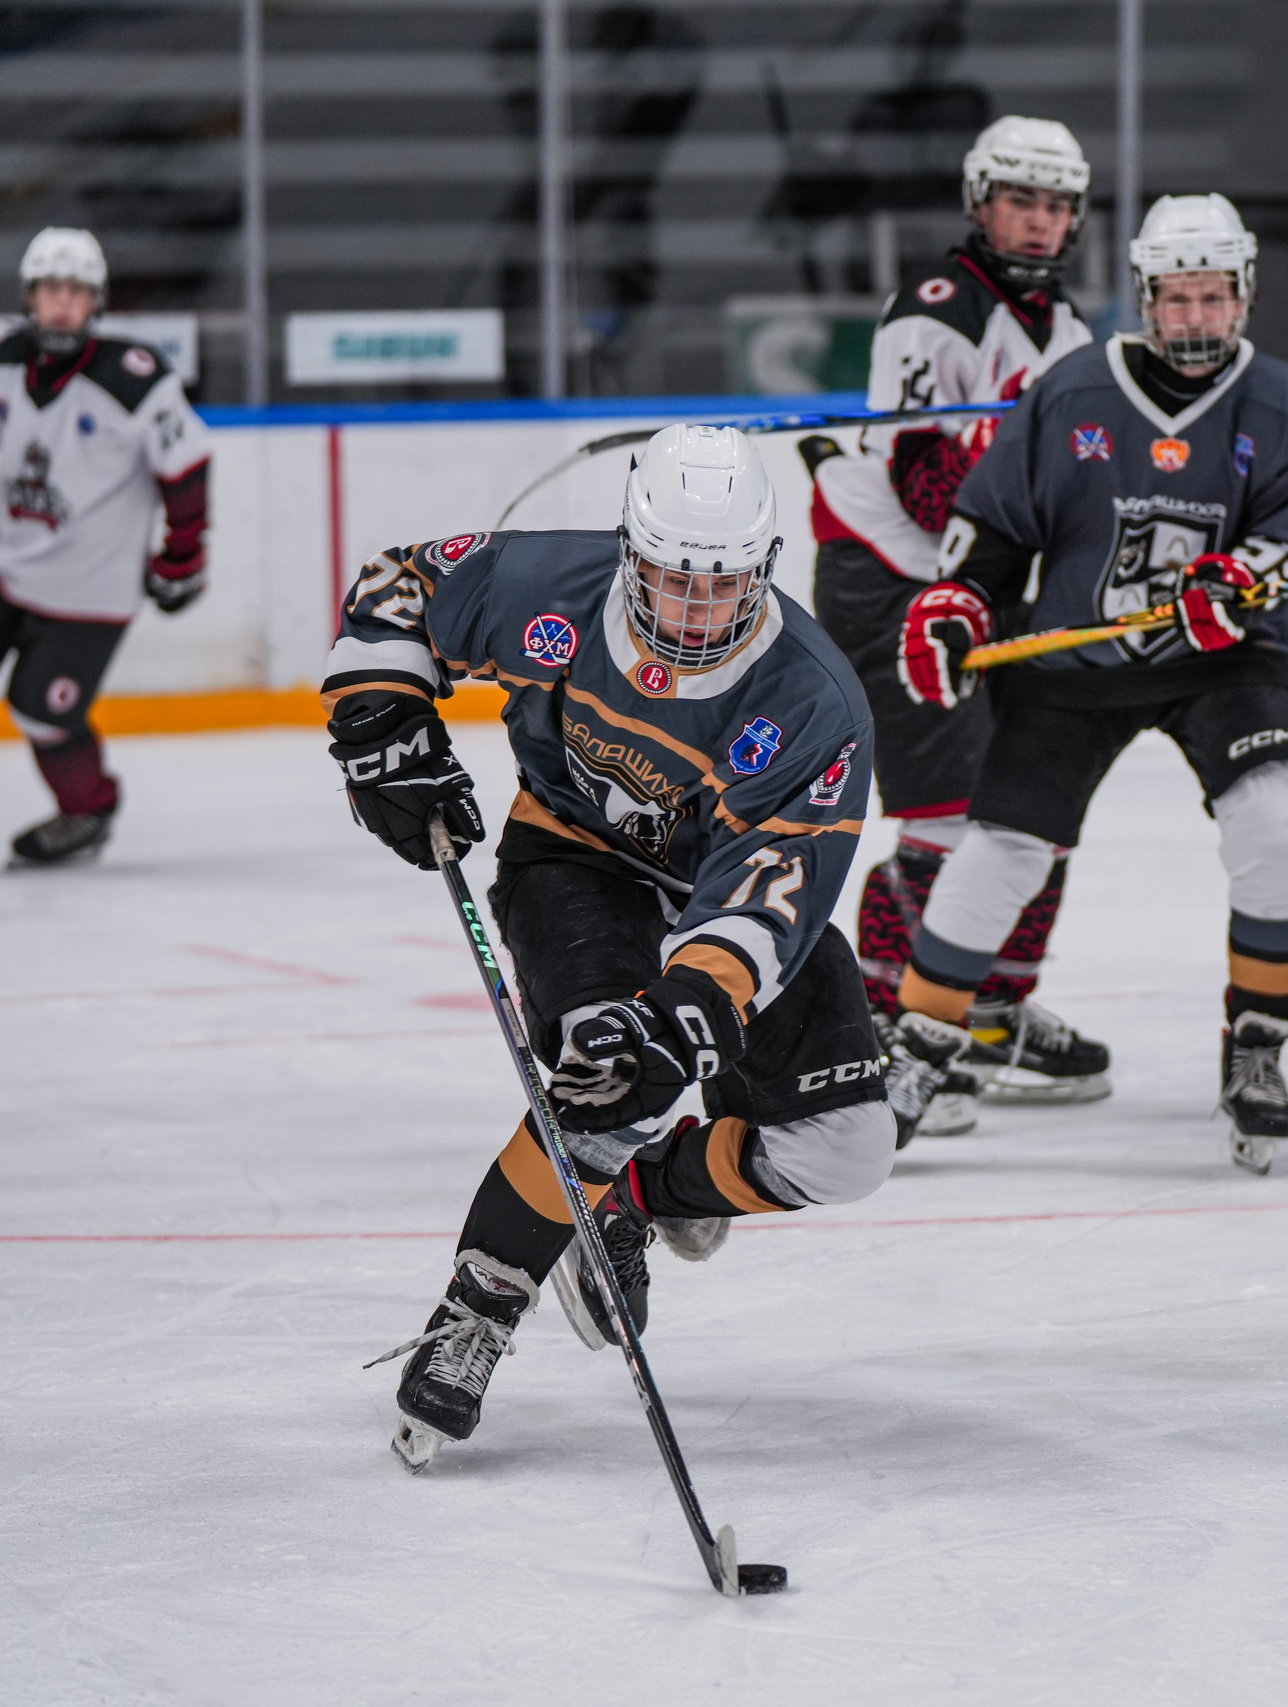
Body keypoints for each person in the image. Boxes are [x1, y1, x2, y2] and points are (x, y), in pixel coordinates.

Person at [341, 425, 895, 1470]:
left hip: (720, 904)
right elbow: (397, 585)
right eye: (670, 580)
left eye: (722, 586)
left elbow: (770, 898)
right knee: (607, 1070)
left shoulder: (812, 701)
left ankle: (623, 1197)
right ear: (630, 550)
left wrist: (688, 1013)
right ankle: (477, 1311)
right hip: (574, 863)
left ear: (766, 565)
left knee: (847, 1147)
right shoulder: (554, 587)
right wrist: (382, 720)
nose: (693, 612)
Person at [886, 193, 1288, 1175]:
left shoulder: (1287, 402)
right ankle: (918, 1049)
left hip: (1225, 657)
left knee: (1273, 827)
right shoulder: (1072, 391)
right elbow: (995, 527)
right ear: (1143, 296)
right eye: (1175, 299)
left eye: (1213, 297)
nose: (1194, 320)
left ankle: (1255, 1046)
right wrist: (959, 602)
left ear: (1244, 294)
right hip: (1078, 650)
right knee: (1001, 847)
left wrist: (1245, 578)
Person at [808, 116, 1109, 1135]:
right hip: (889, 578)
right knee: (941, 819)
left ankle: (981, 1014)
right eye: (1020, 199)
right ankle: (885, 1038)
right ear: (981, 203)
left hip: (978, 583)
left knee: (1023, 811)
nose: (1039, 220)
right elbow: (928, 489)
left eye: (1056, 204)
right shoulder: (931, 310)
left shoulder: (1069, 336)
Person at [0, 227, 210, 871]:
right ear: (29, 297)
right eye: (50, 289)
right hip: (4, 564)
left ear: (97, 302)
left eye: (76, 292)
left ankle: (88, 810)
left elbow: (186, 468)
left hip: (92, 589)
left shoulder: (136, 380)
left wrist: (182, 558)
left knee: (41, 712)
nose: (61, 304)